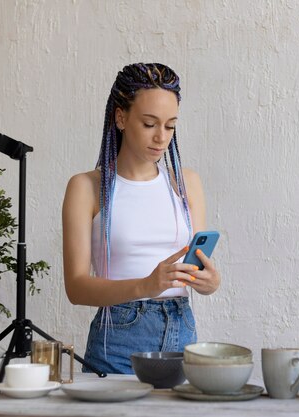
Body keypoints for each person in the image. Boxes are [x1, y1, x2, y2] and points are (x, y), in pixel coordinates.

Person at [62, 63, 221, 374]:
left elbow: (196, 267)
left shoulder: (186, 183)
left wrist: (210, 282)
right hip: (118, 337)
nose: (161, 138)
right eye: (149, 124)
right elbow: (76, 288)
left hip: (181, 328)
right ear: (121, 117)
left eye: (170, 125)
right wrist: (145, 285)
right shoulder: (86, 187)